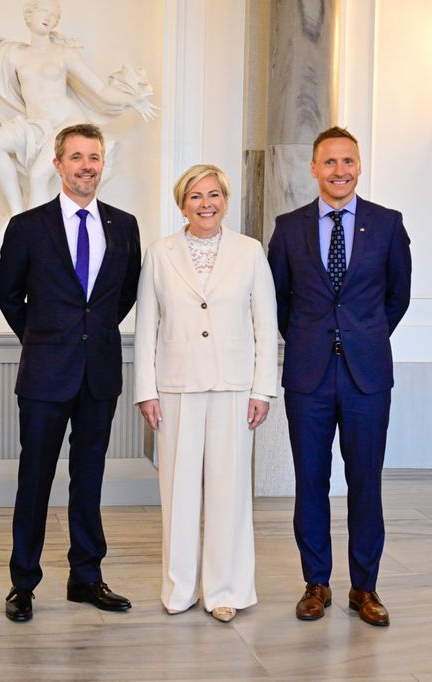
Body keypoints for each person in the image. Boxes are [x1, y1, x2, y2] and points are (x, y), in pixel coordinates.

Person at [0, 123, 141, 622]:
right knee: (34, 479)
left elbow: (123, 295)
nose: (86, 166)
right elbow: (8, 294)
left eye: (94, 157)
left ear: (103, 164)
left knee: (90, 477)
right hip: (44, 374)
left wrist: (91, 332)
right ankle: (23, 583)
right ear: (58, 164)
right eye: (76, 157)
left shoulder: (124, 226)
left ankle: (86, 577)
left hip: (98, 372)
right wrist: (43, 335)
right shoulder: (28, 226)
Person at [267, 126, 412, 627]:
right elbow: (278, 301)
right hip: (308, 376)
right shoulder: (288, 228)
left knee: (365, 481)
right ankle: (316, 583)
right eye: (329, 162)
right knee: (310, 480)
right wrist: (313, 337)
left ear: (360, 165)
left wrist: (362, 336)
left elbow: (398, 296)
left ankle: (365, 588)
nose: (340, 171)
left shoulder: (387, 224)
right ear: (313, 168)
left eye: (348, 161)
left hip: (366, 376)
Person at [133, 164, 278, 623]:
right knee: (176, 491)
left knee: (229, 489)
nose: (206, 203)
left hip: (235, 386)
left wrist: (263, 389)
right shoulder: (160, 253)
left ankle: (225, 589)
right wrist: (145, 391)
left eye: (214, 194)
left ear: (226, 200)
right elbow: (145, 328)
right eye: (196, 196)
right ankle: (178, 589)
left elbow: (265, 325)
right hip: (175, 386)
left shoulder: (250, 251)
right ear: (182, 204)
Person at [0, 0, 156, 216]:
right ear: (29, 16)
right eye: (45, 12)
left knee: (39, 177)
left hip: (66, 124)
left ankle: (37, 236)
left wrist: (130, 99)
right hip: (35, 125)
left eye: (55, 15)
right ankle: (18, 214)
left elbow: (100, 90)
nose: (50, 17)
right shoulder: (14, 54)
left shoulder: (64, 53)